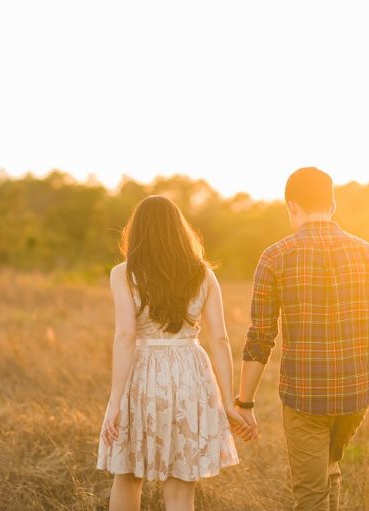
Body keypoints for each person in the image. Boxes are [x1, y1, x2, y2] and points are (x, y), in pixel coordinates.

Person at [232, 167, 369, 511]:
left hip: (304, 400)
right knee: (328, 470)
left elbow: (260, 337)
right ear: (333, 204)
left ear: (291, 206)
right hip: (356, 397)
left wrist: (244, 403)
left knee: (311, 498)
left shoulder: (274, 257)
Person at [96, 194, 251, 511]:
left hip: (143, 374)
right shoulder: (203, 274)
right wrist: (227, 400)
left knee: (127, 474)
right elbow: (219, 339)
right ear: (180, 230)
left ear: (136, 231)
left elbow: (126, 335)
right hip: (190, 375)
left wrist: (115, 402)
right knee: (181, 487)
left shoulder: (123, 274)